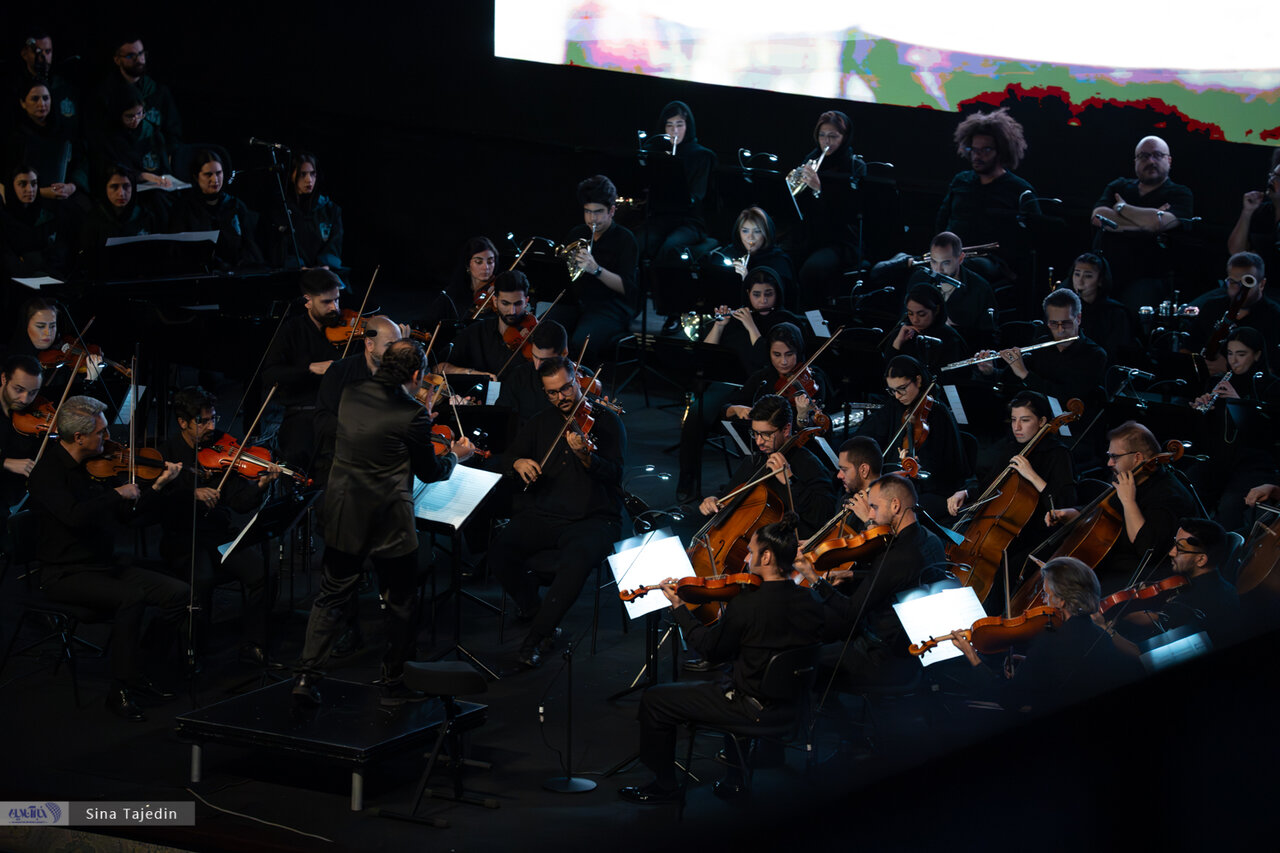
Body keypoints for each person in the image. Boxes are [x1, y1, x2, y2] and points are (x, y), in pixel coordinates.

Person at [292, 341, 474, 706]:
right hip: (389, 522)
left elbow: (376, 435)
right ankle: (394, 683)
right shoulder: (411, 414)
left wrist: (416, 417)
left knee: (331, 595)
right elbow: (430, 470)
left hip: (343, 513)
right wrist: (456, 454)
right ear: (416, 374)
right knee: (400, 603)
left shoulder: (352, 392)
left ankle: (305, 678)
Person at [619, 513, 824, 804]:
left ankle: (664, 785)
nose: (747, 558)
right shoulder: (811, 598)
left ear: (766, 557)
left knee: (656, 699)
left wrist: (679, 608)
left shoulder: (746, 605)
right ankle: (735, 780)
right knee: (738, 674)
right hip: (794, 705)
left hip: (751, 708)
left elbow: (709, 650)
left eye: (752, 551)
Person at [24, 395, 188, 721]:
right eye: (101, 433)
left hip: (104, 566)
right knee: (131, 598)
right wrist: (115, 494)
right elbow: (74, 516)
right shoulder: (47, 473)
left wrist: (157, 487)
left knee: (179, 593)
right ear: (79, 437)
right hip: (65, 574)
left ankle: (142, 668)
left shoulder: (97, 464)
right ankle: (120, 689)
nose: (109, 440)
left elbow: (128, 517)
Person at [490, 357, 625, 668]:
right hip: (548, 513)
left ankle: (537, 638)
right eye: (552, 393)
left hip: (595, 517)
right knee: (500, 549)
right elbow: (508, 455)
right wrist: (517, 463)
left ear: (577, 379)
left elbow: (615, 474)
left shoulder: (606, 422)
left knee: (574, 563)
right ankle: (534, 609)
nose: (561, 398)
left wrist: (587, 457)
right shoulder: (541, 421)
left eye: (566, 388)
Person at [157, 387, 279, 666]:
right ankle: (194, 651)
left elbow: (238, 503)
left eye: (214, 418)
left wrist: (258, 487)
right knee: (202, 579)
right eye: (204, 421)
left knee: (263, 573)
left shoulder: (222, 446)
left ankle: (253, 642)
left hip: (218, 535)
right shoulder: (167, 454)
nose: (213, 426)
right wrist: (191, 495)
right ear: (183, 422)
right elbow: (157, 504)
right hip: (183, 537)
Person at [796, 473, 947, 689]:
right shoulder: (931, 539)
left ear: (895, 505)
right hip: (912, 652)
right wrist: (851, 575)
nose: (871, 514)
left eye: (874, 506)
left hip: (880, 659)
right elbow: (899, 580)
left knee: (802, 663)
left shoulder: (896, 556)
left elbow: (851, 611)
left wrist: (813, 578)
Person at [948, 557, 1142, 713]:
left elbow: (1009, 699)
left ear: (1062, 601)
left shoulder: (1051, 642)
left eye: (1047, 594)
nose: (1044, 599)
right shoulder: (1099, 633)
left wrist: (972, 657)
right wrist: (1033, 664)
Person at [1045, 421, 1197, 594]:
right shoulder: (1129, 479)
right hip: (1111, 566)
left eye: (1115, 457)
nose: (1109, 463)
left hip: (1138, 581)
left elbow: (1147, 548)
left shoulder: (1170, 495)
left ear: (1138, 457)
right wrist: (1068, 514)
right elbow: (1099, 514)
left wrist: (1129, 502)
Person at [947, 391, 1077, 580]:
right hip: (1005, 527)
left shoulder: (1058, 454)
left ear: (1042, 421)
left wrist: (1032, 475)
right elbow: (990, 486)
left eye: (1024, 420)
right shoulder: (1012, 448)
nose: (1016, 427)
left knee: (1003, 569)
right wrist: (965, 493)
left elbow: (1065, 503)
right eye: (1014, 419)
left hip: (1035, 532)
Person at [699, 393, 835, 539]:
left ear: (786, 429)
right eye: (755, 433)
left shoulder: (808, 463)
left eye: (766, 434)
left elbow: (823, 514)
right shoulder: (756, 460)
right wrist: (713, 501)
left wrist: (790, 480)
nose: (759, 442)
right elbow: (729, 495)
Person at [935, 108, 1039, 295]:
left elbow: (1032, 239)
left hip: (992, 262)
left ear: (1001, 151)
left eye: (985, 150)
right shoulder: (961, 181)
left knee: (965, 268)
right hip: (951, 256)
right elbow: (941, 222)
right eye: (973, 150)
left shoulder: (1019, 190)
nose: (977, 156)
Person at [1187, 327, 1279, 529]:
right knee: (1188, 485)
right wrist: (1202, 411)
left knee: (1230, 504)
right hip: (1219, 460)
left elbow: (1268, 434)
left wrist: (1239, 402)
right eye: (1229, 354)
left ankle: (1226, 554)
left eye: (1241, 354)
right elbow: (1206, 435)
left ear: (1257, 355)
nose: (1234, 361)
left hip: (1253, 465)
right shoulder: (1216, 382)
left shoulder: (1272, 387)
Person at [1090, 136, 1194, 313]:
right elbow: (1098, 217)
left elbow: (1156, 223)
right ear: (1135, 161)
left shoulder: (1180, 194)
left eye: (1157, 155)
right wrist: (1145, 225)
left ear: (1169, 160)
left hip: (1149, 279)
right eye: (1144, 156)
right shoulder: (1119, 186)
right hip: (1107, 273)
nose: (1150, 161)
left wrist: (1122, 208)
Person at [856, 355, 967, 519]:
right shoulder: (895, 405)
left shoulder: (937, 413)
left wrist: (918, 466)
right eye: (892, 390)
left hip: (930, 489)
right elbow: (866, 434)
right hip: (897, 485)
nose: (897, 395)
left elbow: (945, 467)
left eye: (902, 388)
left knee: (894, 514)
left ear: (918, 380)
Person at [639, 101, 717, 326]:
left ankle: (673, 311)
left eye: (679, 125)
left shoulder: (702, 156)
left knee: (671, 248)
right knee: (639, 242)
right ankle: (632, 304)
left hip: (689, 221)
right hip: (661, 217)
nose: (674, 131)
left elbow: (697, 197)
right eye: (669, 125)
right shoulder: (656, 152)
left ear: (688, 126)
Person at [547, 174, 639, 363]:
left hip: (611, 306)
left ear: (612, 211)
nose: (592, 218)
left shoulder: (626, 239)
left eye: (598, 212)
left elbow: (628, 289)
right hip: (576, 300)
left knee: (581, 342)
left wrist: (596, 269)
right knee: (544, 331)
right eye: (587, 212)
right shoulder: (577, 233)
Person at [261, 268, 344, 473]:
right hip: (301, 417)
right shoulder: (291, 330)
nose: (335, 307)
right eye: (327, 302)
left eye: (337, 300)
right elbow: (270, 374)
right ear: (308, 300)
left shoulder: (345, 331)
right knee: (298, 471)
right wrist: (309, 369)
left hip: (339, 416)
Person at [975, 288, 1107, 408]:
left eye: (1066, 323)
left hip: (1074, 426)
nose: (1060, 330)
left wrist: (1024, 373)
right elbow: (1011, 384)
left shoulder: (1095, 355)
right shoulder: (1040, 345)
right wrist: (990, 372)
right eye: (1054, 323)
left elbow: (1067, 396)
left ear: (1078, 318)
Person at [311, 314, 402, 486]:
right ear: (369, 344)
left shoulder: (399, 373)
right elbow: (323, 421)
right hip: (342, 461)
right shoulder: (339, 371)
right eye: (389, 346)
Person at [793, 109, 864, 308]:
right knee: (784, 261)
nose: (827, 141)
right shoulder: (810, 160)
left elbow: (848, 213)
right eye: (822, 135)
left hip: (840, 240)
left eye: (833, 136)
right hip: (811, 234)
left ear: (845, 137)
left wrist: (819, 189)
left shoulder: (854, 166)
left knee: (811, 271)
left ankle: (813, 321)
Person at [167, 149, 264, 270]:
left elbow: (250, 249)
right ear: (196, 177)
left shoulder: (235, 206)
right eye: (208, 174)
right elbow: (176, 251)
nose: (215, 179)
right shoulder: (183, 209)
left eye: (219, 173)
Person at [724, 323, 826, 431]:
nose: (783, 362)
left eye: (789, 354)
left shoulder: (813, 379)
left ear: (798, 351)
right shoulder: (761, 377)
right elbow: (725, 409)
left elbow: (816, 428)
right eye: (777, 354)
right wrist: (736, 409)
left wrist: (802, 416)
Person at [905, 231, 998, 351]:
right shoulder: (919, 278)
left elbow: (989, 336)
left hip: (960, 353)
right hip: (921, 351)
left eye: (945, 263)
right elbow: (905, 320)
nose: (938, 270)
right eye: (934, 262)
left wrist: (953, 328)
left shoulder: (980, 288)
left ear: (960, 258)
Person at [1188, 252, 1280, 372]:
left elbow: (1273, 370)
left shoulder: (1275, 316)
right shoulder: (1211, 307)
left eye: (1246, 282)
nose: (1238, 289)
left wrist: (1230, 368)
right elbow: (1188, 347)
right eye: (1232, 282)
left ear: (1261, 284)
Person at [437, 269, 530, 380]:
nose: (512, 311)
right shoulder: (476, 332)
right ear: (495, 301)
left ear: (526, 301)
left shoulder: (536, 337)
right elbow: (438, 367)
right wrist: (472, 373)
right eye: (505, 303)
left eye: (518, 303)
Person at [5, 80, 88, 204]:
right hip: (31, 203)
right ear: (23, 103)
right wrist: (41, 192)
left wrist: (71, 186)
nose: (41, 104)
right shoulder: (16, 138)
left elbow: (80, 162)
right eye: (35, 99)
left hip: (66, 197)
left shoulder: (64, 132)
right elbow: (9, 180)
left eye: (46, 98)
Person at [93, 35, 182, 144]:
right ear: (117, 60)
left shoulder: (158, 92)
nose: (139, 59)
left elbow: (173, 133)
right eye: (131, 56)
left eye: (141, 53)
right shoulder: (105, 94)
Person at [265, 152, 344, 271]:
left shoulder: (330, 209)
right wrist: (298, 266)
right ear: (292, 175)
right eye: (303, 174)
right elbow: (278, 248)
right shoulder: (282, 210)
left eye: (313, 174)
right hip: (293, 275)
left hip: (324, 274)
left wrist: (324, 266)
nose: (309, 180)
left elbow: (334, 243)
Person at [76, 165, 162, 272]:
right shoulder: (93, 220)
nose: (121, 193)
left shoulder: (145, 217)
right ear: (105, 188)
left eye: (126, 186)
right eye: (114, 187)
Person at [88, 87, 172, 191]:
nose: (135, 120)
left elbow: (164, 167)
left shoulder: (152, 133)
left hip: (154, 187)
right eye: (129, 116)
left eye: (139, 114)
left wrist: (163, 178)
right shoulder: (108, 136)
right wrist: (141, 175)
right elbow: (110, 167)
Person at [0, 165, 72, 278]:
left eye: (34, 184)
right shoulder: (5, 218)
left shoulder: (48, 214)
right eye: (22, 184)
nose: (30, 190)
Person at [884, 282, 970, 376]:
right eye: (910, 313)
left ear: (936, 310)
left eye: (921, 314)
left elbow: (955, 375)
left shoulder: (950, 338)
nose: (915, 320)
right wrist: (897, 343)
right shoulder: (904, 332)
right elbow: (887, 370)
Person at [1068, 252, 1133, 365]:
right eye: (1077, 274)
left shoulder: (1116, 312)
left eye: (1088, 276)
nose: (1080, 282)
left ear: (1100, 280)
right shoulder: (1067, 308)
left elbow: (1118, 353)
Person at [1227, 147, 1279, 278]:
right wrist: (1247, 212)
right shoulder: (1262, 211)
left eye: (1278, 178)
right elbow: (1236, 251)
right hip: (1251, 282)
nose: (1271, 180)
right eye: (1272, 175)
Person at [0, 354, 43, 516]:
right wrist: (4, 462)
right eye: (19, 390)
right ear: (4, 379)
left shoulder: (35, 413)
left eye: (33, 392)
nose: (25, 399)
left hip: (21, 498)